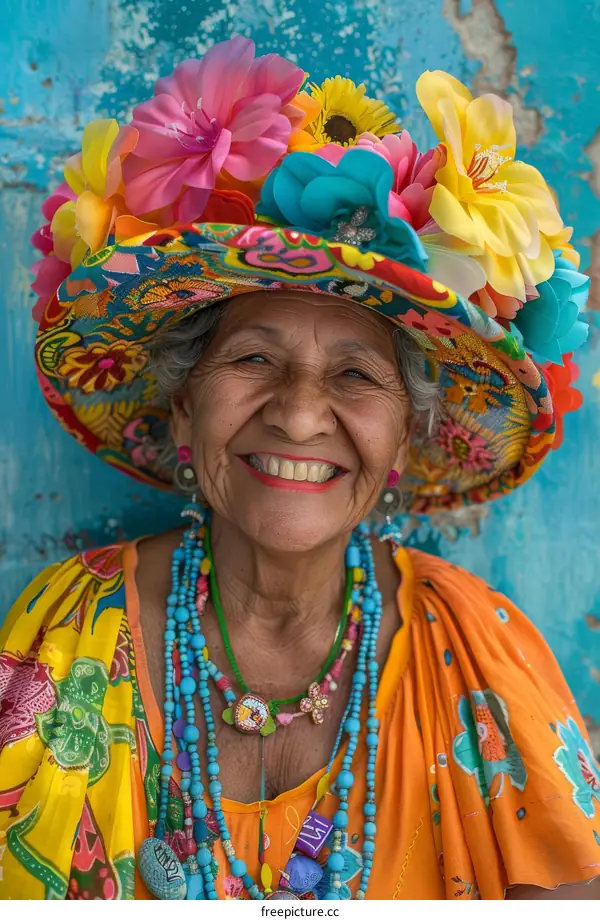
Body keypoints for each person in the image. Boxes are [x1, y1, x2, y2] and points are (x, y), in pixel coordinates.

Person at [1, 36, 598, 901]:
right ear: (184, 405)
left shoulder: (475, 652)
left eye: (356, 375)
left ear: (405, 435)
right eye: (253, 359)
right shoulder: (70, 632)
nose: (299, 414)